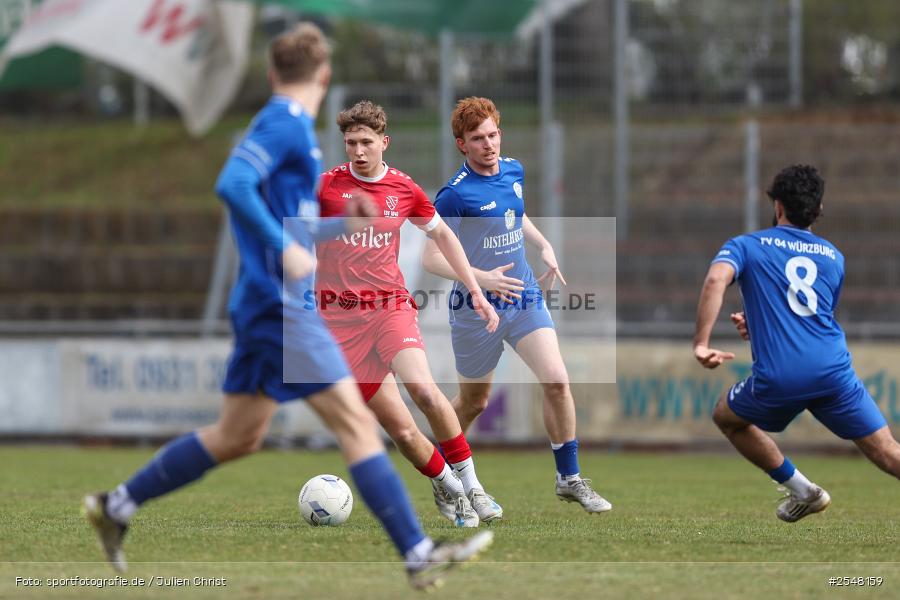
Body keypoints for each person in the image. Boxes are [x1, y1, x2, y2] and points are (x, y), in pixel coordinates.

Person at [82, 23, 491, 589]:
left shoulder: (287, 127)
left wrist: (335, 226)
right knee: (356, 425)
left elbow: (284, 215)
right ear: (322, 76)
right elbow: (233, 185)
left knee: (236, 436)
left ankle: (117, 505)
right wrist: (285, 251)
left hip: (260, 303)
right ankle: (418, 554)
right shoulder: (286, 124)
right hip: (281, 307)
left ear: (274, 73)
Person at [315, 100, 502, 527]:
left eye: (366, 142)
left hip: (391, 308)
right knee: (401, 431)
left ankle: (473, 487)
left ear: (384, 142)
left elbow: (445, 236)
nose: (358, 152)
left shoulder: (404, 188)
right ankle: (446, 487)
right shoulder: (325, 187)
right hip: (341, 324)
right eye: (350, 143)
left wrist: (474, 288)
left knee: (425, 390)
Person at [422, 96, 612, 514]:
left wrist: (543, 245)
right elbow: (431, 257)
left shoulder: (513, 170)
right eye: (477, 138)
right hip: (476, 310)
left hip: (524, 296)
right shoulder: (454, 196)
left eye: (492, 135)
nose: (488, 144)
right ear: (462, 144)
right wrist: (482, 279)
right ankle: (440, 469)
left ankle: (569, 477)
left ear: (500, 134)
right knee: (474, 403)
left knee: (557, 380)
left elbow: (515, 214)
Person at [694, 164, 900, 522]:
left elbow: (715, 280)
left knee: (727, 418)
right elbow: (811, 318)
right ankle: (805, 493)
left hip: (782, 375)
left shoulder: (746, 245)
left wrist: (702, 341)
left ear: (777, 206)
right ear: (818, 211)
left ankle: (803, 490)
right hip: (834, 371)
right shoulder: (835, 258)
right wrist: (759, 325)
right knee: (888, 452)